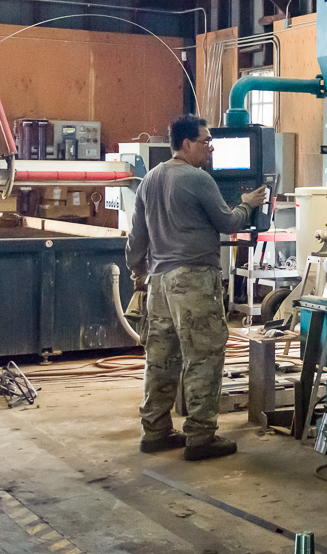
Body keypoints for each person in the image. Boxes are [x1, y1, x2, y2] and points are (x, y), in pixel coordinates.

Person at [126, 114, 268, 461]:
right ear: (186, 144)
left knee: (161, 359)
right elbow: (227, 222)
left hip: (159, 283)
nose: (211, 147)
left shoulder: (150, 180)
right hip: (192, 280)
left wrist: (137, 272)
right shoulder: (198, 179)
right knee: (203, 356)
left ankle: (156, 431)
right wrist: (248, 204)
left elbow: (136, 239)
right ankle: (201, 437)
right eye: (205, 141)